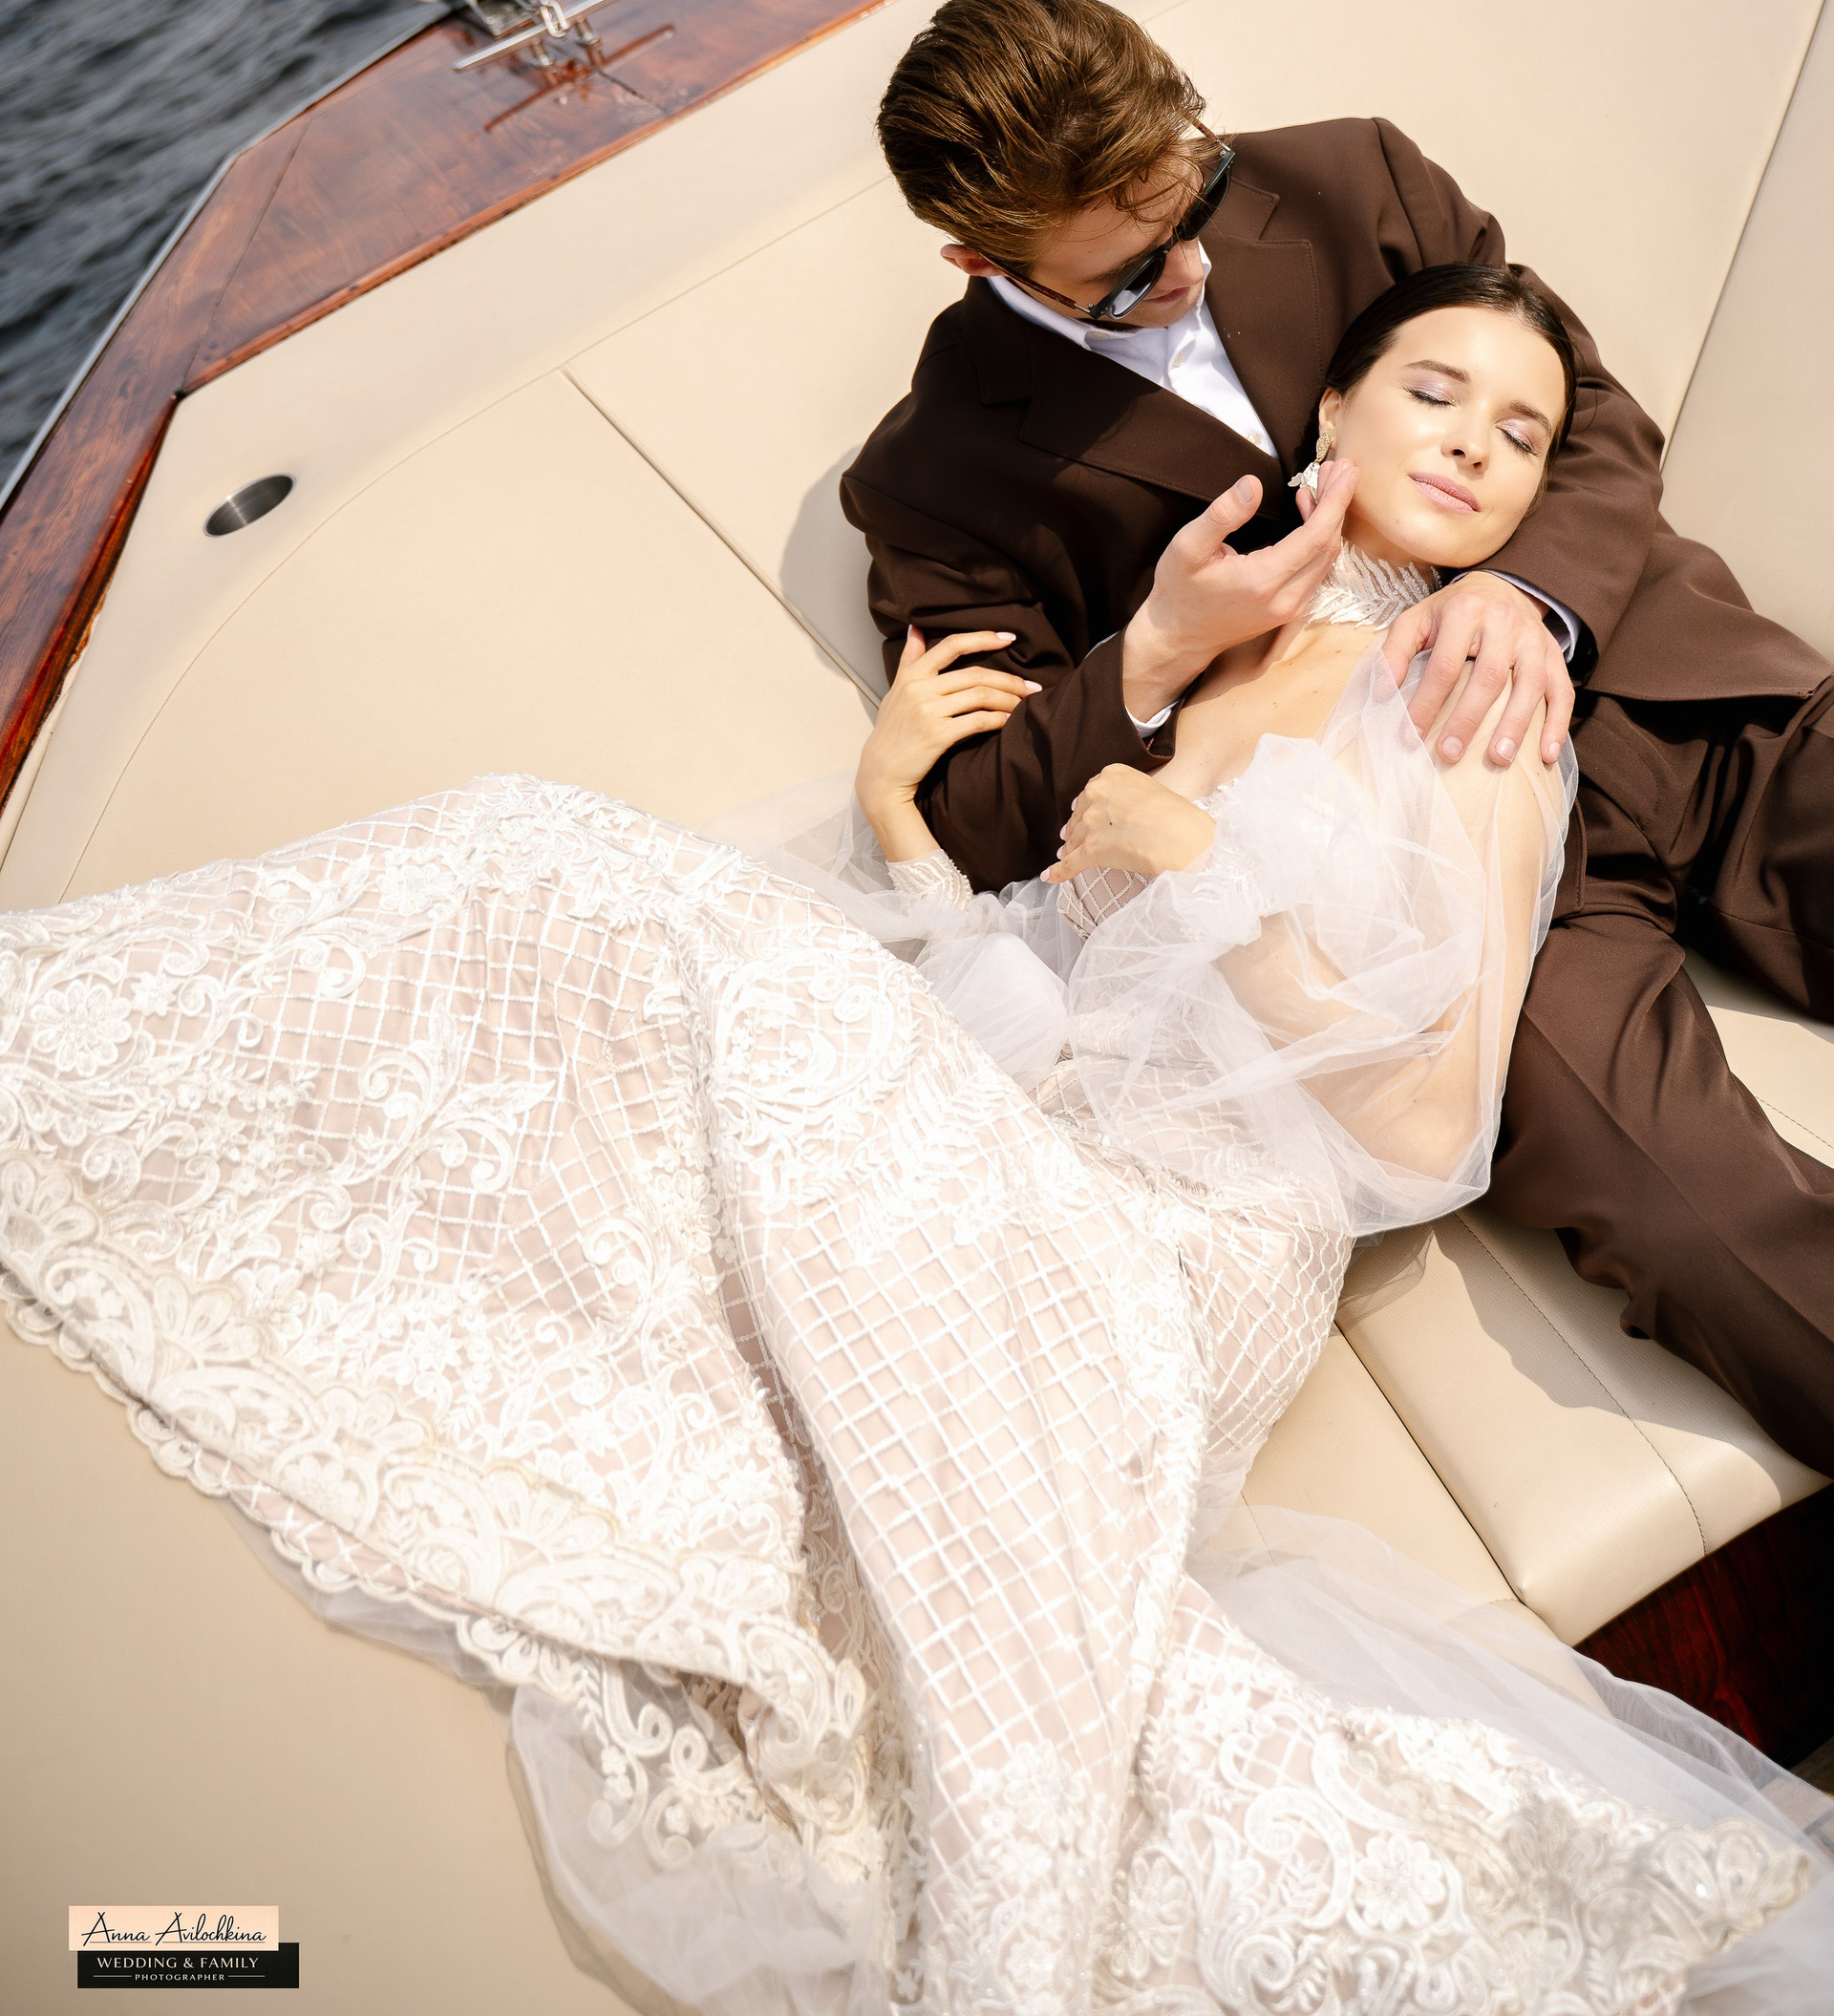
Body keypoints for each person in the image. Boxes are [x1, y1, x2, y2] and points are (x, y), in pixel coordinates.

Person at [4, 282, 1829, 2009]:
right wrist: (901, 823)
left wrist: (1210, 882)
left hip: (1186, 1241)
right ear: (1329, 416)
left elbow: (1433, 1119)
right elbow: (1051, 983)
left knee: (586, 890)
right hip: (1021, 1142)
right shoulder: (1224, 659)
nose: (1477, 443)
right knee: (543, 861)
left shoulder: (1482, 706)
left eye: (1522, 433)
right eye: (1435, 392)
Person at [842, 0, 1834, 1475]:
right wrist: (1159, 645)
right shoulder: (935, 471)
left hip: (1670, 693)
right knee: (1706, 1224)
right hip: (1463, 909)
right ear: (982, 263)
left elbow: (1589, 408)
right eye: (1129, 275)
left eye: (1194, 204)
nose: (1188, 267)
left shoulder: (1349, 177)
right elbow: (985, 814)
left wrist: (1524, 589)